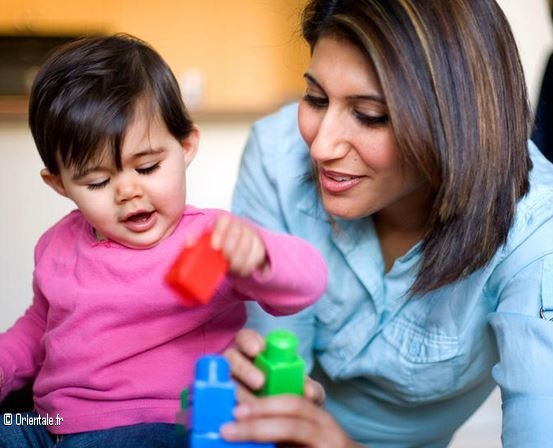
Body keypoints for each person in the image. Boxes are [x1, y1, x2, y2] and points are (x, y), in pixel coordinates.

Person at [222, 0, 553, 446]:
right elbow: (276, 397)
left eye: (370, 115)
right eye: (316, 98)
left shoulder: (533, 231)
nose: (321, 146)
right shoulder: (277, 158)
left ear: (454, 122)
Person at [0, 33, 327, 447]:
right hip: (47, 419)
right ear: (60, 184)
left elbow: (309, 281)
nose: (128, 192)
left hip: (155, 421)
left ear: (186, 146)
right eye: (98, 181)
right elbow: (38, 326)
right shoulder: (56, 244)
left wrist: (261, 256)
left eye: (149, 167)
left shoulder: (212, 240)